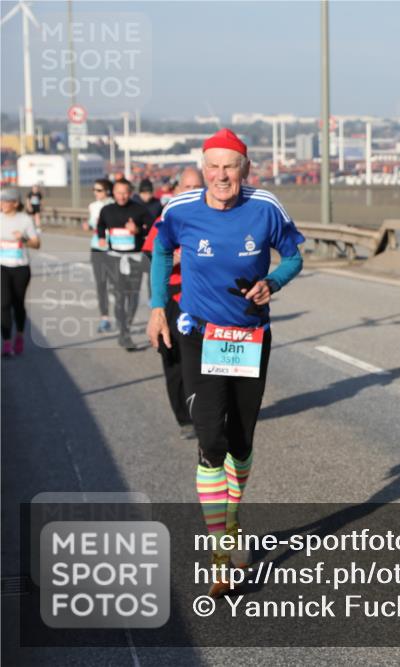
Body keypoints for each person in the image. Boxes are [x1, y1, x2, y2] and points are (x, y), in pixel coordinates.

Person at [146, 129, 304, 597]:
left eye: (229, 167)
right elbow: (158, 249)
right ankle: (221, 555)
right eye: (213, 166)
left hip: (250, 337)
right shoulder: (180, 209)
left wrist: (272, 283)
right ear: (204, 166)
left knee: (240, 442)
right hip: (198, 335)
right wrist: (158, 306)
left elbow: (294, 256)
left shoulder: (266, 207)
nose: (220, 176)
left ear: (245, 170)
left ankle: (232, 522)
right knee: (211, 440)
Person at [142, 167, 204, 440]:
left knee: (205, 360)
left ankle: (208, 412)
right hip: (172, 296)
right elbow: (150, 256)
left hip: (203, 298)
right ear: (177, 190)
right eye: (187, 187)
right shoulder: (166, 218)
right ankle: (185, 418)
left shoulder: (212, 219)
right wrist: (174, 260)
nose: (192, 192)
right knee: (174, 359)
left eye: (197, 187)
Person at [97, 178, 154, 350]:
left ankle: (126, 325)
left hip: (134, 259)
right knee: (120, 297)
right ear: (113, 193)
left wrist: (138, 230)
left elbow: (152, 228)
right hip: (114, 259)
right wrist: (101, 237)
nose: (121, 196)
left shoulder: (139, 210)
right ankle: (124, 333)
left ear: (130, 193)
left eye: (125, 193)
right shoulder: (107, 210)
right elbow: (101, 225)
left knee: (133, 297)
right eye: (118, 192)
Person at [1, 188, 40, 357]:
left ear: (15, 203)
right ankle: (7, 342)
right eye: (0, 201)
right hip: (2, 266)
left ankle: (20, 335)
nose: (2, 204)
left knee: (18, 304)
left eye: (5, 201)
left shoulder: (25, 220)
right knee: (3, 304)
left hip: (21, 268)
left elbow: (37, 244)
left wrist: (22, 239)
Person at [84, 178, 114, 333]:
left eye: (99, 190)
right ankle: (104, 318)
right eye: (94, 190)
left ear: (108, 191)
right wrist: (88, 225)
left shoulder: (114, 206)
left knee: (117, 285)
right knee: (101, 284)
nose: (96, 193)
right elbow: (91, 224)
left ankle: (122, 315)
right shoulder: (92, 206)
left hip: (114, 249)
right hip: (97, 248)